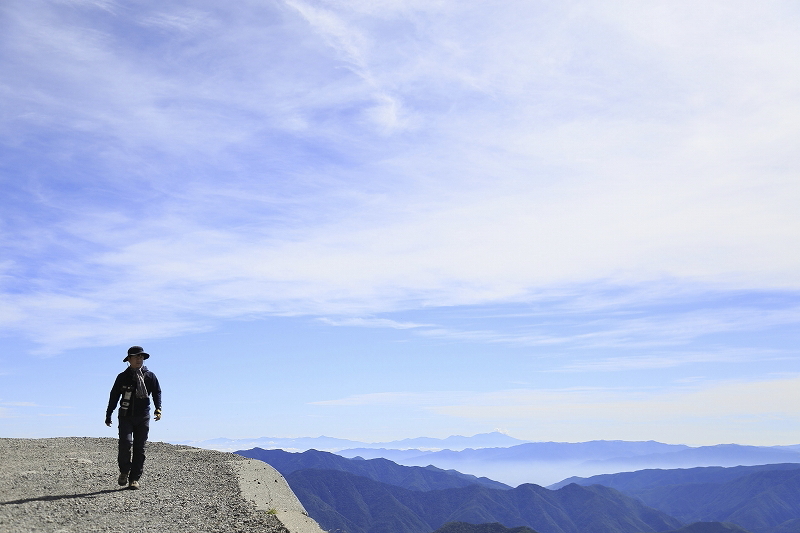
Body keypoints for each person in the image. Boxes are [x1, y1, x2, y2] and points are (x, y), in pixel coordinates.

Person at [105, 346, 162, 490]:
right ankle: (124, 471)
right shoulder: (122, 377)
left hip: (143, 416)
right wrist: (109, 413)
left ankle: (134, 479)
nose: (139, 359)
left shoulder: (150, 376)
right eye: (136, 357)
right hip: (125, 416)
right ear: (129, 359)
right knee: (125, 443)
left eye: (141, 357)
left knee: (140, 448)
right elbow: (114, 396)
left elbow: (156, 392)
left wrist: (158, 408)